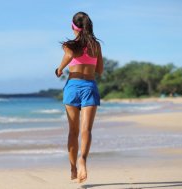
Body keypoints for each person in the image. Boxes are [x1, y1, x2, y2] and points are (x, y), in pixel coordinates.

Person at [56, 11, 103, 183]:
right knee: (86, 130)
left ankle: (73, 169)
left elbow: (68, 56)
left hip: (73, 87)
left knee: (73, 131)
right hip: (89, 86)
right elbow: (100, 70)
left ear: (73, 27)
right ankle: (82, 158)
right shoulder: (96, 46)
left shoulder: (69, 46)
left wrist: (60, 69)